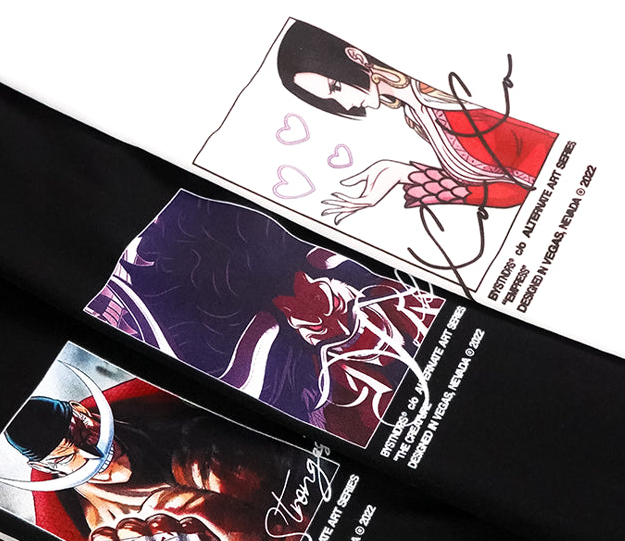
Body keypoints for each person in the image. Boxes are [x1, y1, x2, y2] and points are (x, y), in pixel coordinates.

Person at [88, 191, 443, 445]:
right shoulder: (332, 403)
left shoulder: (404, 285)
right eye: (284, 310)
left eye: (307, 283)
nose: (320, 311)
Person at [0, 368, 320, 541]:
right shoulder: (88, 537)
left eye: (85, 432)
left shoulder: (202, 454)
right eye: (70, 456)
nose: (93, 452)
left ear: (82, 411)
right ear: (47, 469)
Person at [276, 20, 558, 219]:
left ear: (355, 56)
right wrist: (402, 173)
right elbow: (519, 189)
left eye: (336, 87)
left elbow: (534, 175)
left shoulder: (444, 95)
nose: (344, 104)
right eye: (330, 100)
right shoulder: (417, 114)